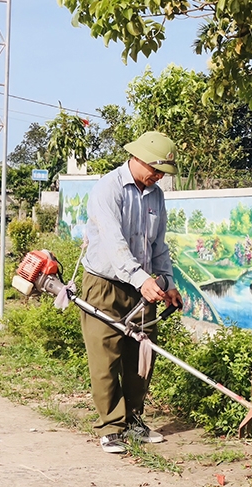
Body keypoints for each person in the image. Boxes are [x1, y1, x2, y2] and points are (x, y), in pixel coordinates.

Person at [79, 131, 183, 454]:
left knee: (141, 355)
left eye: (163, 173)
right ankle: (111, 426)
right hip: (104, 284)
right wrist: (142, 280)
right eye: (155, 170)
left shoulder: (156, 196)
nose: (158, 177)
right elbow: (114, 245)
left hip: (142, 287)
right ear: (137, 159)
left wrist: (166, 282)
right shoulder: (107, 190)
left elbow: (158, 245)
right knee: (105, 356)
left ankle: (135, 421)